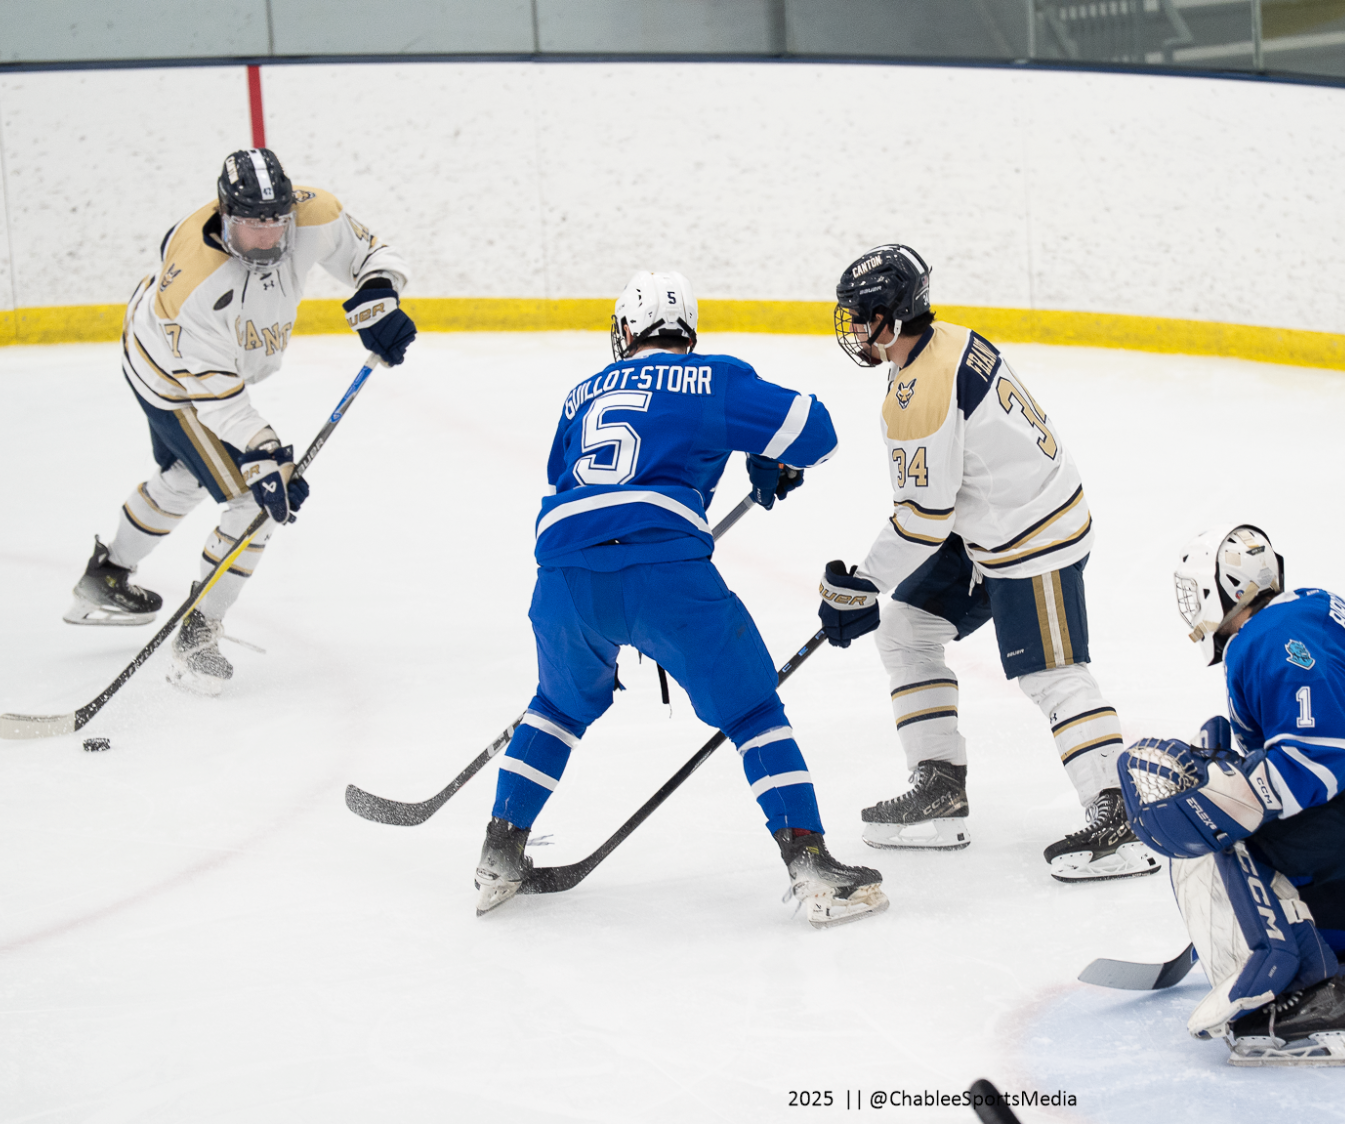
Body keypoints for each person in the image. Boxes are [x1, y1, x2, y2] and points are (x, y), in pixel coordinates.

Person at [472, 270, 887, 929]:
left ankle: (499, 851)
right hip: (661, 573)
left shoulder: (582, 393)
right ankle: (810, 864)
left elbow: (569, 476)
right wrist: (766, 452)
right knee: (752, 709)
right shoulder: (711, 377)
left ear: (624, 331)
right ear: (688, 331)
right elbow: (817, 432)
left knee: (556, 705)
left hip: (563, 571)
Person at [814, 244, 1153, 883]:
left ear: (894, 314)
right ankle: (939, 788)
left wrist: (861, 584)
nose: (854, 327)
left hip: (1032, 534)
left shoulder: (921, 389)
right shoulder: (943, 341)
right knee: (906, 631)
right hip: (987, 526)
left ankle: (1121, 816)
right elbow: (941, 500)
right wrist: (871, 587)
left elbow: (923, 518)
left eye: (863, 315)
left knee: (1052, 674)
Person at [1117, 524, 1345, 1065]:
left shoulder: (1268, 639)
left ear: (1225, 588)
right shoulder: (1309, 606)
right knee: (1306, 913)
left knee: (1239, 847)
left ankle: (1307, 1002)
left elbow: (1323, 755)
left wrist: (1237, 796)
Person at [66, 147, 417, 696]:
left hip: (204, 372)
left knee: (189, 475)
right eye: (253, 223)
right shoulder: (194, 287)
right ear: (225, 215)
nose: (269, 236)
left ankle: (105, 576)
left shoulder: (315, 214)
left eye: (277, 221)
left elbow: (372, 254)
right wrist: (266, 454)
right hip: (172, 379)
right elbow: (218, 403)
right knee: (255, 500)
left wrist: (379, 296)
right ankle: (197, 635)